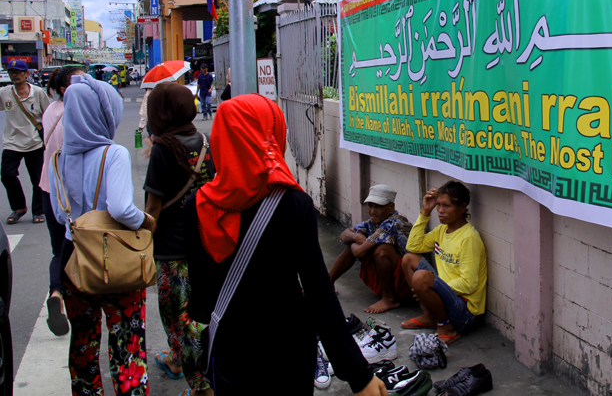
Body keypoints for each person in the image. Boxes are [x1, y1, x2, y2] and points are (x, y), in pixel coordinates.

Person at [183, 94, 388, 396]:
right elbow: (320, 295)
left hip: (230, 351)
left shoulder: (197, 205)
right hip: (287, 350)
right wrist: (358, 375)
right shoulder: (293, 204)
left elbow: (201, 302)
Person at [48, 74, 154, 396]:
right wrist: (145, 220)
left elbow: (57, 213)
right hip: (114, 257)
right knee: (127, 339)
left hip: (75, 259)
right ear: (102, 112)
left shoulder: (58, 158)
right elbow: (121, 209)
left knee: (83, 340)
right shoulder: (114, 154)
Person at [144, 83, 215, 396]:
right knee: (199, 313)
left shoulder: (163, 148)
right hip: (203, 243)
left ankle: (201, 387)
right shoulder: (204, 141)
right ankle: (178, 363)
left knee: (178, 321)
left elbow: (152, 208)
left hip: (171, 252)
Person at [401, 181, 487, 345]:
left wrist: (434, 286)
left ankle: (446, 327)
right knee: (409, 259)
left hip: (464, 312)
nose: (440, 210)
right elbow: (413, 246)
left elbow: (468, 284)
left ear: (462, 208)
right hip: (447, 299)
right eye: (438, 205)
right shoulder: (442, 230)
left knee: (421, 278)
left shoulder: (469, 238)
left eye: (447, 206)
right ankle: (429, 317)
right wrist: (425, 212)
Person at [39, 65, 86, 336]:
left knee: (59, 250)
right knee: (78, 248)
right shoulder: (76, 114)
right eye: (81, 80)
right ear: (64, 89)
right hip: (71, 192)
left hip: (48, 188)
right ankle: (76, 301)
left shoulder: (50, 111)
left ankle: (56, 293)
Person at [328, 184, 412, 314]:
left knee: (381, 250)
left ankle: (390, 299)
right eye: (371, 206)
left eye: (378, 207)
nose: (373, 211)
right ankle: (327, 283)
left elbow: (358, 252)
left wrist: (356, 241)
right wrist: (356, 237)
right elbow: (344, 235)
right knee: (354, 241)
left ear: (391, 208)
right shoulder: (372, 223)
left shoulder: (393, 223)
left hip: (408, 283)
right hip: (390, 278)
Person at [1, 59, 50, 224]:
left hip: (34, 142)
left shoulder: (37, 93)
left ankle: (39, 211)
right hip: (12, 142)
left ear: (26, 74)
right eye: (11, 72)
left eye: (17, 72)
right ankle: (19, 207)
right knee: (7, 175)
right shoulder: (5, 93)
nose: (14, 75)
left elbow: (48, 115)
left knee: (37, 179)